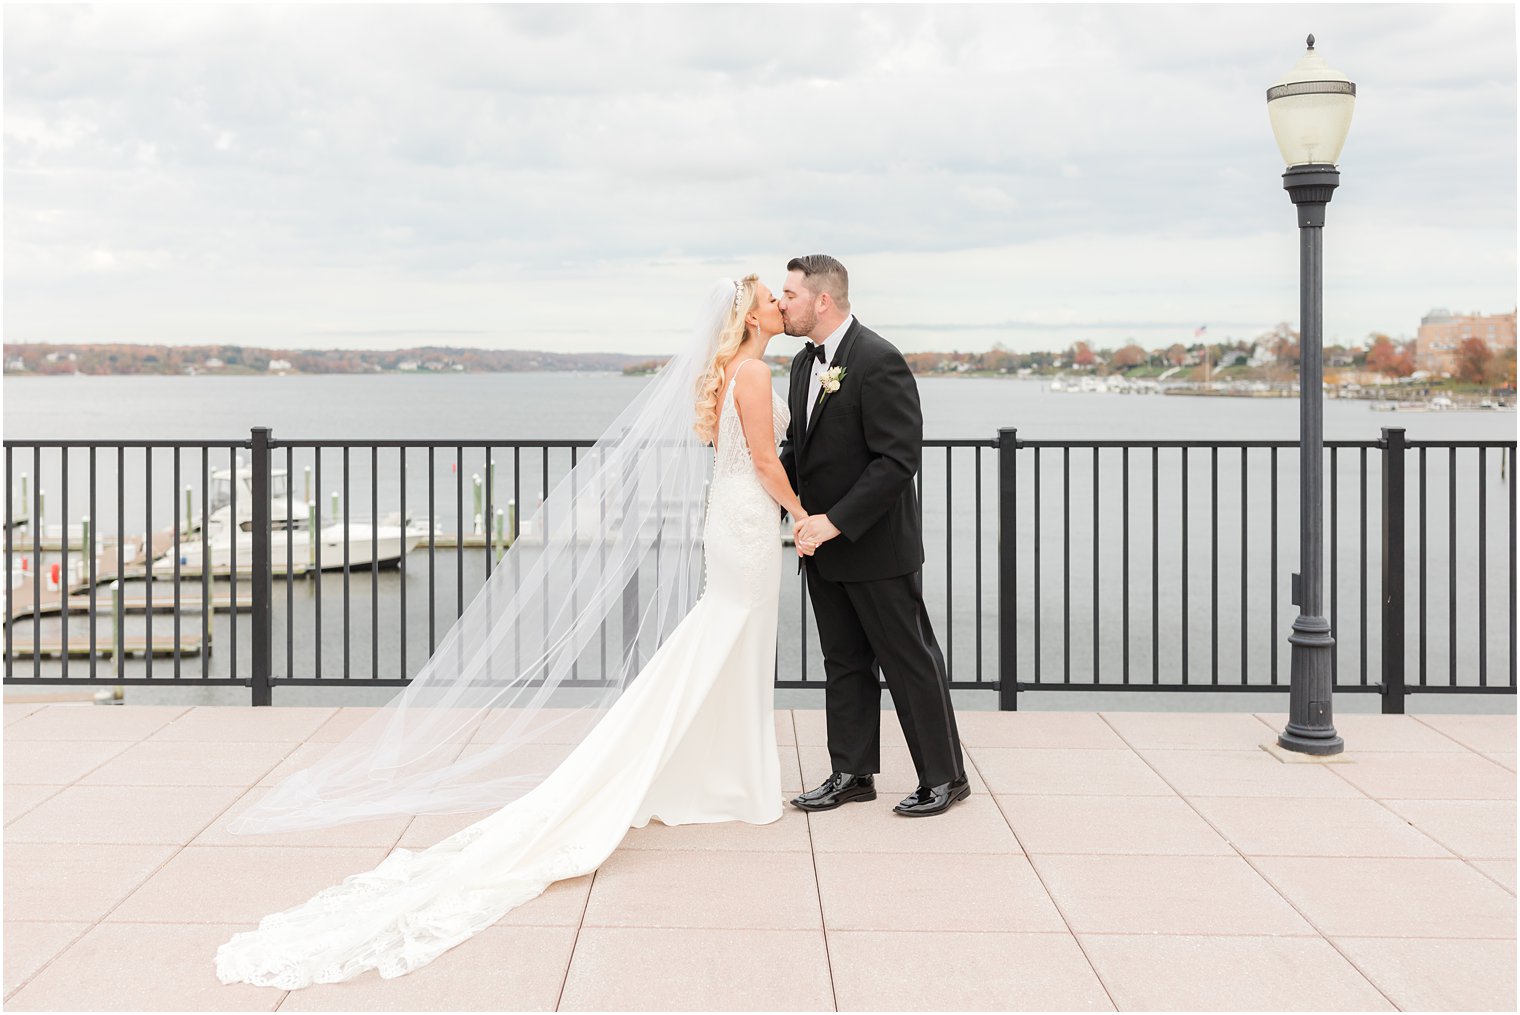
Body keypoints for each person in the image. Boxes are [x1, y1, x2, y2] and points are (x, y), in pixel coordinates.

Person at [214, 275, 805, 988]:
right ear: (749, 315)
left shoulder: (738, 368)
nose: (782, 302)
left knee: (727, 641)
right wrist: (802, 515)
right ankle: (710, 772)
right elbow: (767, 462)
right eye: (773, 295)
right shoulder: (752, 369)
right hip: (745, 519)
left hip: (731, 515)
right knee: (722, 639)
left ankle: (722, 773)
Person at [778, 254, 968, 817]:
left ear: (822, 300)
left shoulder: (878, 359)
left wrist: (834, 521)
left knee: (909, 661)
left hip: (876, 546)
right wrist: (777, 497)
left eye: (789, 294)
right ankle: (852, 773)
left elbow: (896, 459)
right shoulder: (799, 366)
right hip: (822, 548)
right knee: (844, 662)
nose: (780, 304)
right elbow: (800, 452)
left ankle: (944, 777)